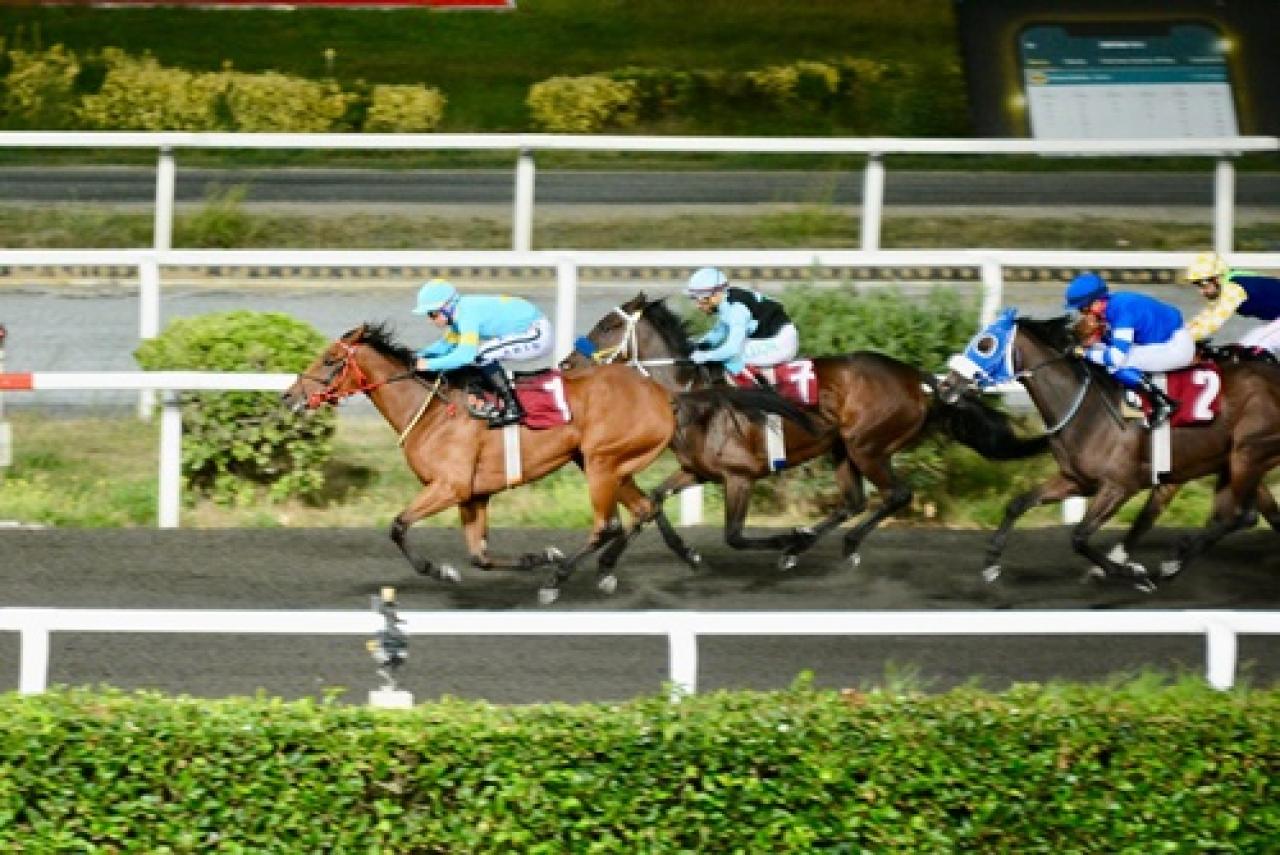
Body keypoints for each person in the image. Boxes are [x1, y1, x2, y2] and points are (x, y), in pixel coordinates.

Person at [412, 279, 552, 427]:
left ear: (447, 307)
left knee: (482, 354)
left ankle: (513, 408)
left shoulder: (467, 315)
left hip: (538, 334)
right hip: (528, 330)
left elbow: (465, 356)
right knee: (481, 355)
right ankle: (493, 397)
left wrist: (429, 364)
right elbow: (445, 345)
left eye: (432, 314)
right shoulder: (460, 314)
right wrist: (416, 356)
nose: (430, 320)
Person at [1063, 272, 1194, 428]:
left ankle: (1160, 401)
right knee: (1103, 351)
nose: (1082, 315)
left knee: (1115, 364)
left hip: (1176, 348)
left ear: (1096, 303)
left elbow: (1115, 358)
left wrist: (1084, 353)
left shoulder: (1122, 311)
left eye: (1083, 310)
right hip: (1164, 340)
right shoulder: (1114, 305)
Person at [684, 267, 799, 380]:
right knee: (723, 353)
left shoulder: (736, 309)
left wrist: (706, 356)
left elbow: (732, 349)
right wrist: (697, 346)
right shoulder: (726, 302)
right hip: (770, 338)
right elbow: (719, 332)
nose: (698, 305)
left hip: (781, 342)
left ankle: (758, 391)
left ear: (715, 294)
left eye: (701, 299)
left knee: (732, 358)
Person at [1183, 252, 1280, 356]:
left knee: (1252, 348)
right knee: (1244, 348)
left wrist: (1181, 341)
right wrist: (1180, 332)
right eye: (1197, 285)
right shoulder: (1226, 283)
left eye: (1202, 285)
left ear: (1216, 279)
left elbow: (1212, 323)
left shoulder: (1234, 289)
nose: (1201, 292)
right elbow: (1205, 317)